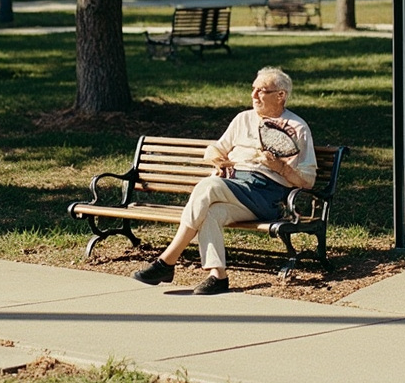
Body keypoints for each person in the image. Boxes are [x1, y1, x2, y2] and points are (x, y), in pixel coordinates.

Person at [132, 66, 317, 295]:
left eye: (262, 91)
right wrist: (217, 160)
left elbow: (308, 181)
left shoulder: (297, 128)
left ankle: (167, 261)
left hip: (266, 196)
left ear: (281, 95)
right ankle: (218, 276)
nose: (254, 95)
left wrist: (279, 166)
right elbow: (214, 149)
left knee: (208, 186)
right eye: (253, 89)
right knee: (211, 213)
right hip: (235, 186)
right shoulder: (243, 119)